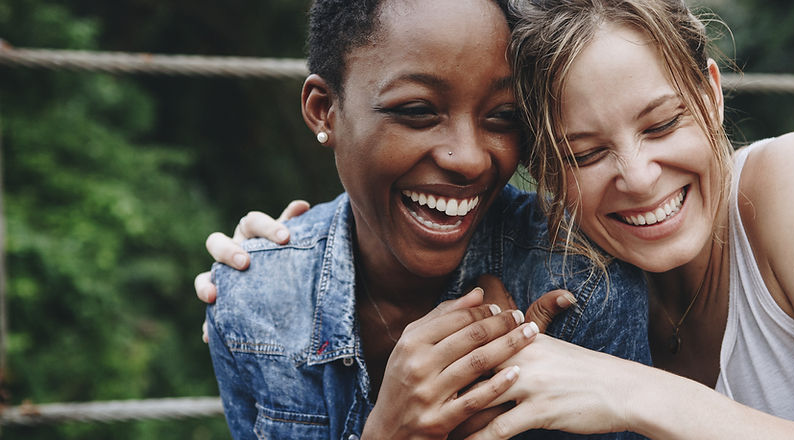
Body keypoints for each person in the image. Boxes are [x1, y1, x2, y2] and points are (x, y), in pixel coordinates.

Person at [454, 0, 794, 438]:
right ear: (545, 174)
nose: (639, 178)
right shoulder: (579, 289)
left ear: (710, 94)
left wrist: (633, 393)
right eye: (585, 154)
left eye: (662, 124)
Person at [201, 0, 650, 439]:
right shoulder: (252, 306)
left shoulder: (584, 283)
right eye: (418, 111)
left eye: (503, 116)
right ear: (325, 110)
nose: (469, 159)